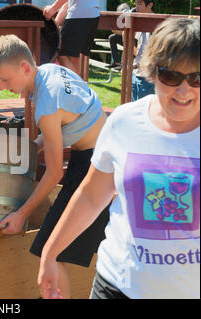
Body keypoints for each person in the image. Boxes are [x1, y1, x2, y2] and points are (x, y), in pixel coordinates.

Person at [38, 18, 200, 299]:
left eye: (198, 78)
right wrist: (50, 254)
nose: (184, 91)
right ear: (152, 72)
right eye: (171, 76)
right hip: (118, 287)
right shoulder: (124, 122)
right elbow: (90, 196)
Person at [0, 34, 110, 299]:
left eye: (4, 80)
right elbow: (71, 123)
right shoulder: (51, 71)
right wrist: (28, 151)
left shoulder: (46, 103)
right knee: (59, 247)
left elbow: (54, 173)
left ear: (25, 68)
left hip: (94, 166)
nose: (2, 87)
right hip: (102, 154)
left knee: (52, 248)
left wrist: (21, 214)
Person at [43, 0, 100, 78]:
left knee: (61, 52)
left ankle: (77, 87)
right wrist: (54, 26)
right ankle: (79, 87)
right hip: (92, 14)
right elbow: (67, 5)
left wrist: (53, 8)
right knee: (73, 57)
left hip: (79, 14)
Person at [131, 0, 155, 101]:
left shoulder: (157, 24)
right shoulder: (140, 21)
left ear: (150, 5)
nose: (136, 7)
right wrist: (127, 40)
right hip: (136, 73)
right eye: (136, 3)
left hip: (148, 75)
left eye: (140, 3)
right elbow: (138, 52)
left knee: (145, 112)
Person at [106, 3, 131, 70]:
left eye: (124, 9)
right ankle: (116, 61)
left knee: (126, 40)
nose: (123, 11)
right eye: (121, 10)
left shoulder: (131, 16)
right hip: (125, 37)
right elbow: (116, 31)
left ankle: (123, 64)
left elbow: (128, 33)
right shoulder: (119, 18)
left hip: (133, 39)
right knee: (112, 37)